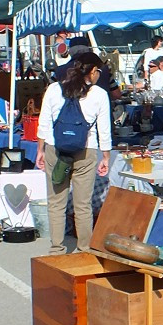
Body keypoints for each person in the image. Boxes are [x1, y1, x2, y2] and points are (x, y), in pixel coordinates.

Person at [35, 52, 112, 255]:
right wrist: (106, 156)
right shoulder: (99, 95)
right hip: (86, 150)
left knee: (56, 202)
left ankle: (57, 249)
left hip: (55, 148)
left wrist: (40, 150)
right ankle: (84, 249)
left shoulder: (53, 89)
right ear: (93, 71)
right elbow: (104, 130)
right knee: (83, 205)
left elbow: (43, 123)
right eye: (99, 71)